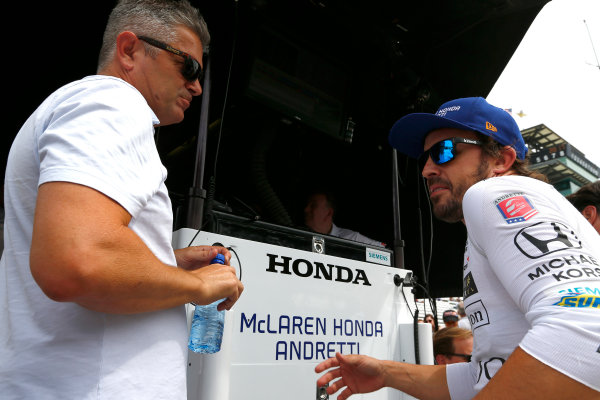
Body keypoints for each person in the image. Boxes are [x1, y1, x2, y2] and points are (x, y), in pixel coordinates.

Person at [0, 1, 244, 399]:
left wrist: (167, 261)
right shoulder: (112, 104)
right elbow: (75, 262)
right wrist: (193, 285)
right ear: (129, 50)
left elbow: (72, 249)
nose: (196, 86)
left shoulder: (77, 108)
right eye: (189, 67)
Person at [315, 97, 600, 399]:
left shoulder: (492, 193)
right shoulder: (522, 206)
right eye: (424, 158)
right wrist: (388, 372)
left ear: (501, 160)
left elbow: (586, 322)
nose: (427, 169)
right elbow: (487, 375)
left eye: (445, 151)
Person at [304, 189, 384, 247]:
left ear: (329, 213)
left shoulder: (352, 238)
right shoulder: (300, 236)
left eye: (313, 206)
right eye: (307, 205)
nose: (306, 209)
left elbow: (385, 251)